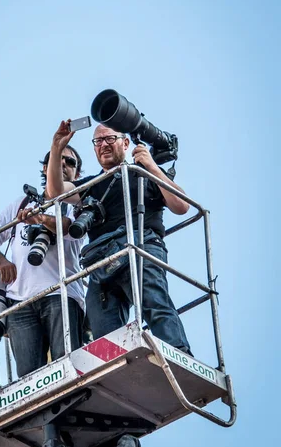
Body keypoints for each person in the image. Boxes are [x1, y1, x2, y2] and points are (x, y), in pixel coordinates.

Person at [46, 120, 192, 355]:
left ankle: (179, 355)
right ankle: (116, 366)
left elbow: (182, 206)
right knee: (102, 326)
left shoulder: (143, 173)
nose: (103, 145)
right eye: (98, 141)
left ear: (126, 143)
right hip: (101, 260)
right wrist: (56, 147)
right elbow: (54, 192)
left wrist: (150, 166)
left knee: (154, 304)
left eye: (109, 139)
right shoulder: (92, 185)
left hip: (141, 245)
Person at [0, 144, 85, 377]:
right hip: (20, 301)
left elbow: (68, 228)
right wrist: (0, 261)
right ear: (46, 167)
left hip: (61, 293)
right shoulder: (21, 203)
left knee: (67, 368)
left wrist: (40, 219)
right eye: (58, 160)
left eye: (71, 162)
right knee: (28, 379)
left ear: (77, 174)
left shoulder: (80, 203)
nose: (63, 165)